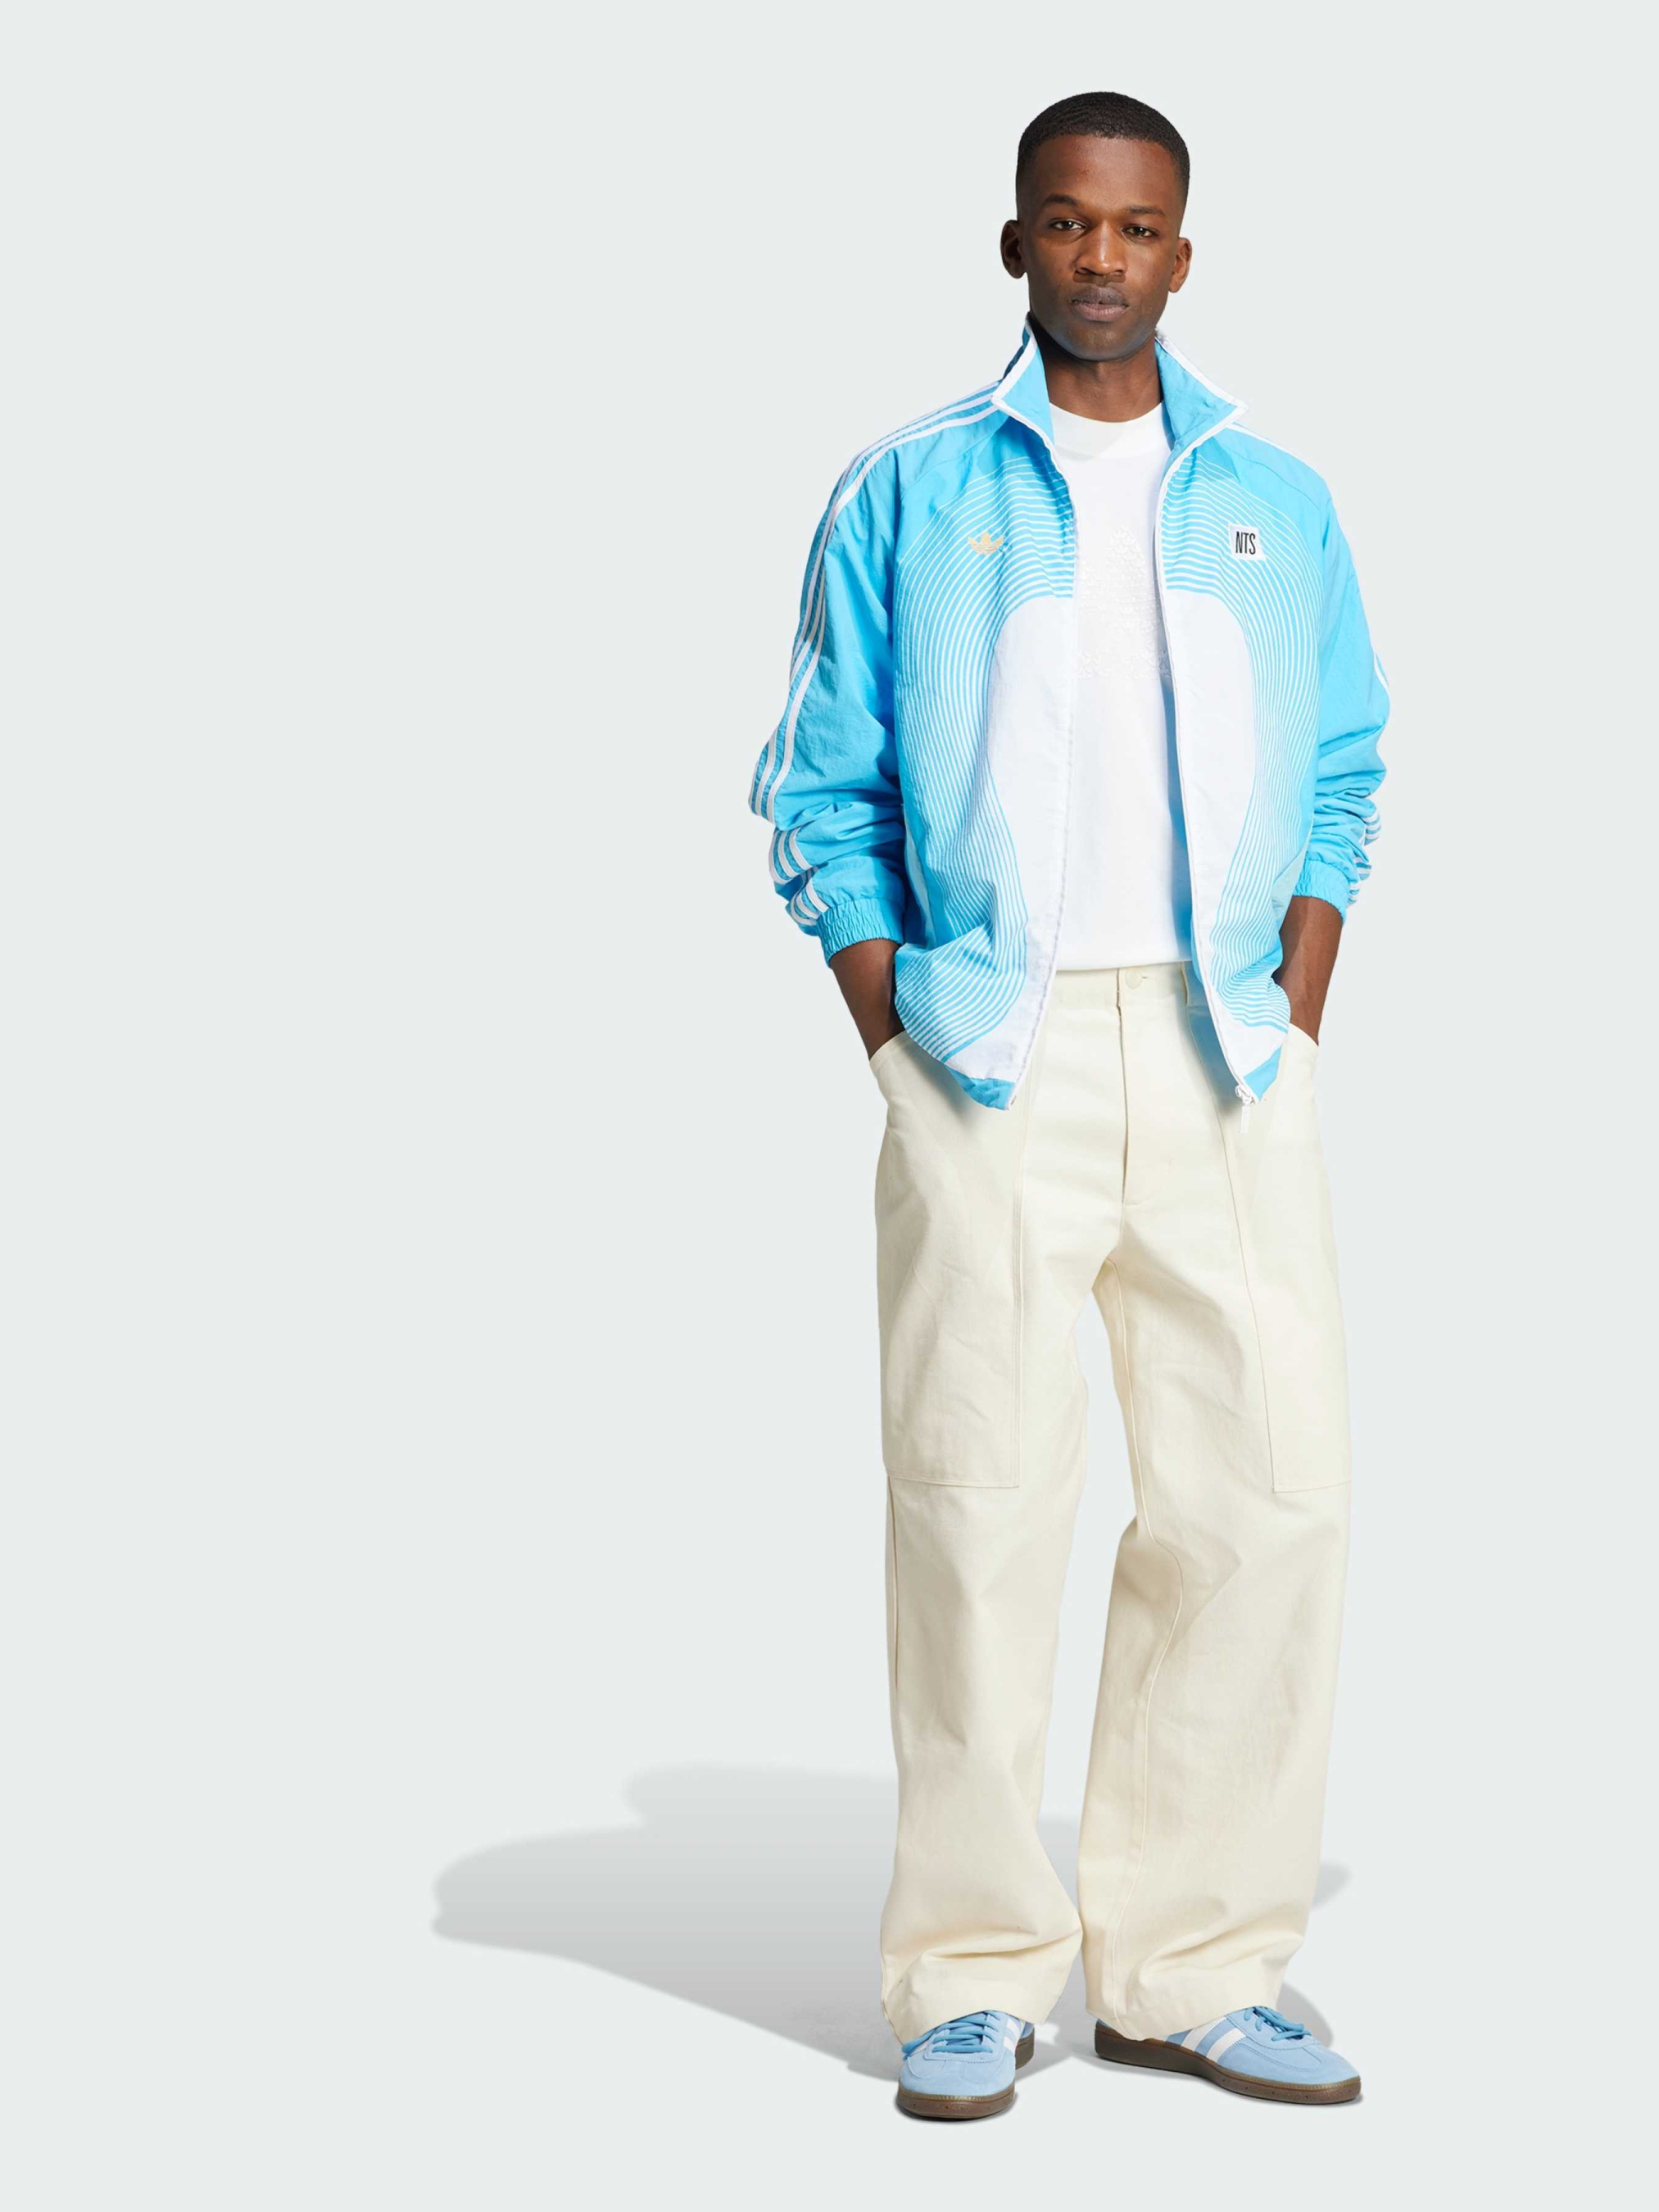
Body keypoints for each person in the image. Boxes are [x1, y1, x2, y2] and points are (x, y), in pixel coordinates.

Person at [748, 89, 1388, 2116]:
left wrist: (1292, 1001)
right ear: (1014, 240)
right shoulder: (908, 488)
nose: (1099, 258)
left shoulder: (1273, 497)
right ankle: (965, 1970)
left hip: (1223, 1058)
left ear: (1180, 254)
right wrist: (893, 1033)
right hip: (985, 1056)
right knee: (974, 1510)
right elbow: (817, 786)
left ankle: (1191, 1965)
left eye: (1132, 228)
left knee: (1262, 1504)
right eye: (1064, 221)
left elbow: (1344, 768)